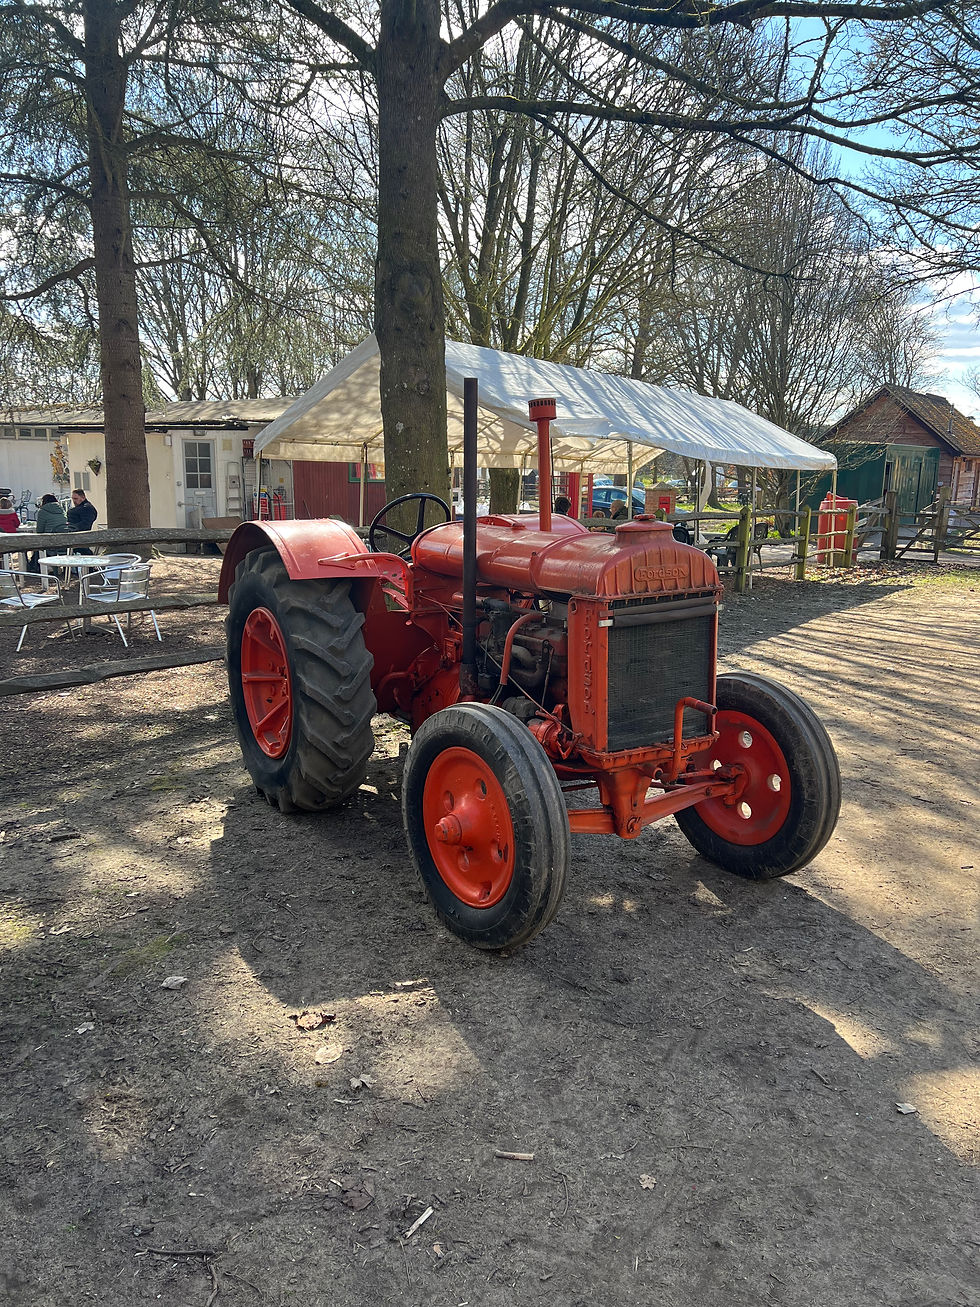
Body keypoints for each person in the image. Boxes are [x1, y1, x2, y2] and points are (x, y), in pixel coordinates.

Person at [29, 493, 70, 571]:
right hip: (64, 540)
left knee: (36, 545)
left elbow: (39, 531)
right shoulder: (62, 509)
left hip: (50, 541)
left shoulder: (42, 511)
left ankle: (34, 566)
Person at [66, 488, 97, 553]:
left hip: (81, 537)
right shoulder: (84, 508)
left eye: (76, 499)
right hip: (76, 537)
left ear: (83, 498)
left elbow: (86, 523)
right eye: (73, 498)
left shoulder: (87, 508)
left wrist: (73, 527)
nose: (74, 501)